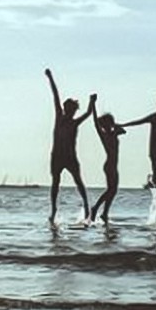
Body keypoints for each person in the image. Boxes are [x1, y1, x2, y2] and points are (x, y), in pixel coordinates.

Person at [44, 69, 94, 226]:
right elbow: (55, 95)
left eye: (73, 110)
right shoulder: (59, 117)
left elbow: (88, 113)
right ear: (66, 109)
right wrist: (50, 77)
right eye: (69, 109)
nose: (71, 112)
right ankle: (53, 211)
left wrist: (92, 102)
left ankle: (87, 207)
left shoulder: (74, 122)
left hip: (70, 157)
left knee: (79, 181)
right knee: (55, 183)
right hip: (57, 156)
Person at [87, 101, 126, 225]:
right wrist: (92, 104)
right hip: (109, 165)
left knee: (113, 190)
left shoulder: (114, 133)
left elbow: (123, 131)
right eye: (108, 123)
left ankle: (105, 213)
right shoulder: (104, 135)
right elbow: (95, 122)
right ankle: (95, 209)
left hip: (114, 165)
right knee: (111, 189)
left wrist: (115, 125)